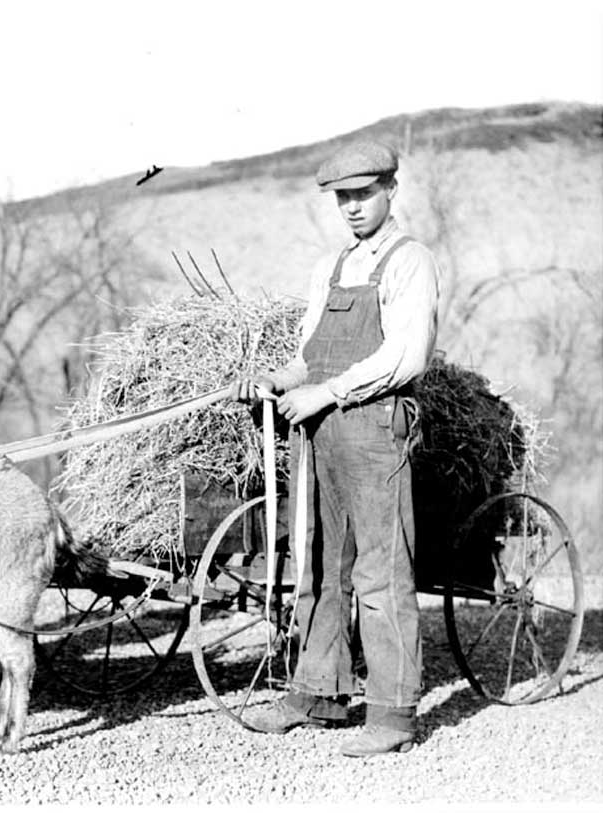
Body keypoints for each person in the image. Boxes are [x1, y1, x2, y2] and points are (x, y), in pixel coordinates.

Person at [232, 141, 440, 756]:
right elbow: (308, 355)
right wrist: (280, 380)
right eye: (342, 198)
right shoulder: (331, 266)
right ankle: (318, 692)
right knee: (319, 565)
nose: (351, 208)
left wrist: (325, 392)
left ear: (390, 191)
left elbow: (406, 355)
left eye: (362, 195)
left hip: (374, 429)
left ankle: (393, 714)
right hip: (319, 430)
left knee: (381, 572)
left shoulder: (410, 261)